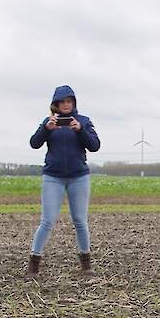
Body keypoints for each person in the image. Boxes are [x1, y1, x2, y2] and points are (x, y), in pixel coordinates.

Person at [25, 85, 101, 279]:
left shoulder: (83, 121)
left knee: (80, 220)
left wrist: (81, 130)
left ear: (74, 103)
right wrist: (46, 129)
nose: (66, 105)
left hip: (79, 177)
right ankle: (34, 262)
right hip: (53, 177)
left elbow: (94, 146)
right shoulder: (49, 122)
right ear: (56, 104)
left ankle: (86, 263)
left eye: (69, 101)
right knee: (47, 220)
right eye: (62, 102)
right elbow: (34, 143)